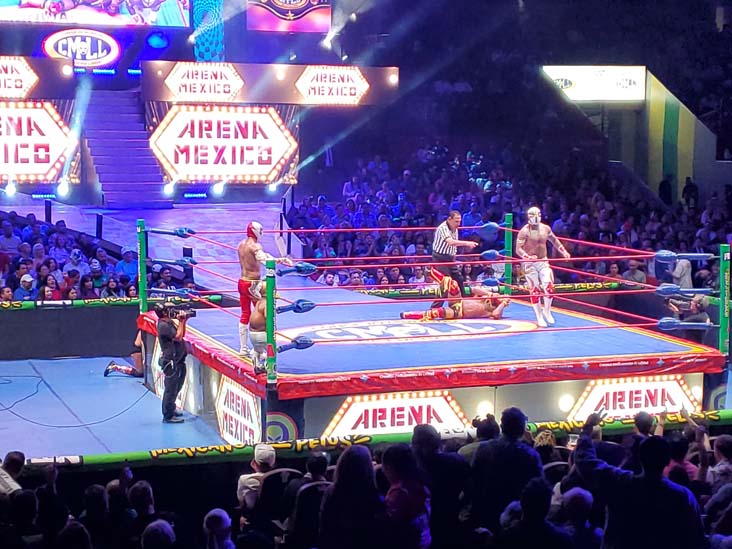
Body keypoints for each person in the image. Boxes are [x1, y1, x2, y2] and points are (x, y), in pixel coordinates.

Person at [575, 412, 706, 549]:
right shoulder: (683, 496)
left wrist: (587, 428)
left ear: (640, 457)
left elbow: (585, 462)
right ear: (667, 461)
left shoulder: (620, 483)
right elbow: (697, 539)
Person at [237, 221, 292, 358]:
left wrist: (280, 260)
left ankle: (243, 348)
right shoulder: (254, 246)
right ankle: (260, 350)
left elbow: (265, 256)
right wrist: (277, 262)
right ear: (256, 231)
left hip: (242, 281)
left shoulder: (241, 245)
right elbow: (264, 260)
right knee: (264, 314)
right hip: (253, 284)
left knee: (245, 313)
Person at [515, 206, 571, 327]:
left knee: (549, 286)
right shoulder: (524, 231)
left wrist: (563, 251)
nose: (536, 217)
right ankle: (539, 316)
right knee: (534, 290)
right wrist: (526, 256)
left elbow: (555, 241)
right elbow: (518, 249)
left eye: (538, 214)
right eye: (533, 215)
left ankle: (547, 310)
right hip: (529, 263)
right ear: (528, 217)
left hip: (543, 260)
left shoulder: (546, 228)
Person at [429, 210, 478, 308]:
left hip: (450, 259)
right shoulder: (443, 228)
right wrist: (467, 243)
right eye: (456, 221)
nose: (458, 224)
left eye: (459, 221)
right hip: (440, 258)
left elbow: (453, 245)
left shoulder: (455, 228)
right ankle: (434, 308)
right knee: (446, 282)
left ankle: (463, 303)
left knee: (459, 279)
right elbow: (450, 242)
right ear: (449, 219)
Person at [401, 279, 510, 321]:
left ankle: (408, 314)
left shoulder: (494, 309)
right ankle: (432, 272)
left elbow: (496, 315)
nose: (499, 295)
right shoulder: (485, 297)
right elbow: (474, 289)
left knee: (438, 312)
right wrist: (489, 293)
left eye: (501, 297)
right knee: (452, 284)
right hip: (458, 301)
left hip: (458, 313)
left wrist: (503, 304)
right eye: (500, 294)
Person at [154, 302, 188, 424]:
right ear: (164, 312)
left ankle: (172, 408)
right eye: (170, 309)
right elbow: (178, 337)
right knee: (171, 388)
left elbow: (180, 335)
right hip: (171, 361)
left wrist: (182, 322)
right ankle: (167, 415)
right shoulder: (163, 326)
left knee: (177, 386)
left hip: (178, 359)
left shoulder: (168, 323)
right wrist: (182, 321)